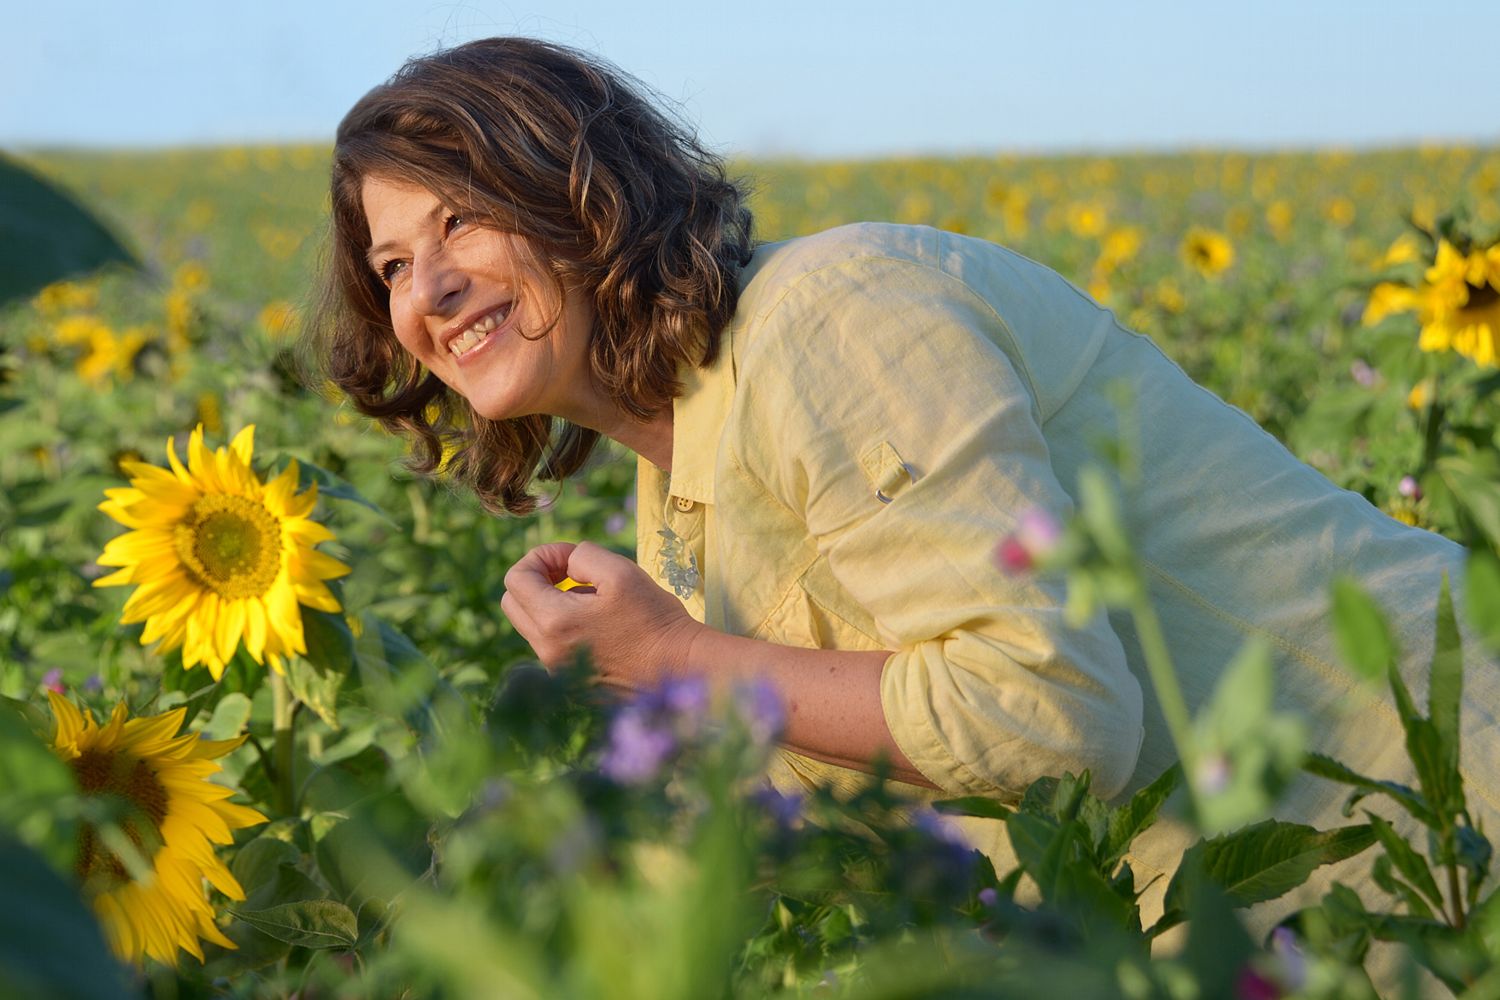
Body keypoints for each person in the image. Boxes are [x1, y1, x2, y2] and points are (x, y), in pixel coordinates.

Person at [309, 36, 1499, 956]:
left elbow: (1054, 720)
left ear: (581, 193)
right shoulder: (670, 492)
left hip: (1444, 820)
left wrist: (675, 664)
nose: (432, 289)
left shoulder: (831, 319)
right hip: (1299, 919)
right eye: (396, 265)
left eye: (462, 217)